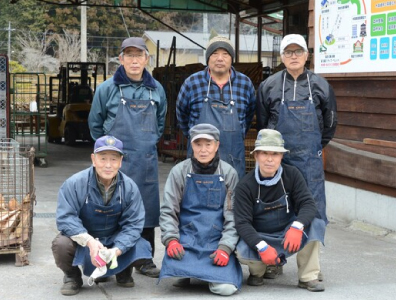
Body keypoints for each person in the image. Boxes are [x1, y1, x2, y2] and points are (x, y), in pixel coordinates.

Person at [256, 34, 338, 283]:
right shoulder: (268, 85)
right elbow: (262, 123)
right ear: (281, 57)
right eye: (288, 52)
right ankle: (273, 262)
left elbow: (330, 122)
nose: (293, 56)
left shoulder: (321, 86)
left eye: (298, 51)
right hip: (277, 161)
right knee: (273, 210)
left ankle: (309, 269)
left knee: (310, 212)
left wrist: (314, 147)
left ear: (306, 55)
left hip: (309, 162)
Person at [88, 37, 167, 278]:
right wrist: (108, 156)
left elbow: (160, 123)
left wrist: (146, 143)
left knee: (147, 210)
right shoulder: (106, 89)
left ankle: (144, 259)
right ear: (120, 59)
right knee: (111, 209)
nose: (134, 60)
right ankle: (109, 259)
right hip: (114, 163)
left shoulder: (157, 89)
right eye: (129, 55)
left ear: (146, 59)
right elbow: (95, 125)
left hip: (145, 161)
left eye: (139, 55)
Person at [51, 135, 152, 296]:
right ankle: (72, 276)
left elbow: (133, 225)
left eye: (113, 159)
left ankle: (123, 269)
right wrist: (89, 242)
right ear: (93, 159)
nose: (108, 165)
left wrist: (116, 251)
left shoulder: (129, 188)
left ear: (120, 162)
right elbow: (65, 218)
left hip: (114, 238)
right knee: (61, 244)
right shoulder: (75, 183)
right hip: (85, 239)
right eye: (102, 158)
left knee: (141, 245)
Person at [234, 129, 325, 291]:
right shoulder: (245, 186)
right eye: (264, 153)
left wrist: (297, 226)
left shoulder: (292, 175)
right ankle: (258, 272)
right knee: (240, 249)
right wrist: (262, 246)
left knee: (316, 223)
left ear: (282, 156)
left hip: (287, 233)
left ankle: (307, 276)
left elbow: (308, 205)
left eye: (275, 154)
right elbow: (242, 223)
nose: (270, 159)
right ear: (256, 156)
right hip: (261, 235)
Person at [159, 123, 242, 296]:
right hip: (187, 240)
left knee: (226, 289)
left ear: (217, 145)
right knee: (175, 273)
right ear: (192, 145)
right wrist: (171, 239)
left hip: (215, 242)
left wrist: (226, 247)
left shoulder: (229, 173)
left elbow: (233, 217)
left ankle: (203, 272)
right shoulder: (179, 171)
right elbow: (168, 211)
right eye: (198, 144)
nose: (203, 150)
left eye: (208, 144)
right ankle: (188, 272)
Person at [176, 36, 256, 179]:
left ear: (232, 58)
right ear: (208, 58)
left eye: (225, 54)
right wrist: (194, 136)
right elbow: (181, 114)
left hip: (233, 158)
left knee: (232, 199)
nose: (220, 58)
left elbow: (249, 114)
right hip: (199, 159)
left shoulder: (245, 83)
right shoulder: (192, 82)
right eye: (214, 53)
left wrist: (239, 133)